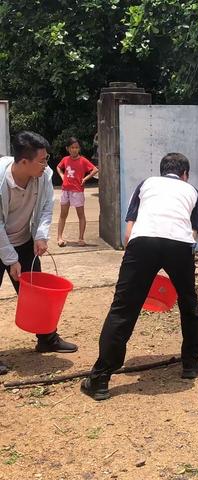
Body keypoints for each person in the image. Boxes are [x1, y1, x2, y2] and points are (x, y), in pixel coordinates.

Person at [81, 152, 198, 400]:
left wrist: (136, 263)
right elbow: (193, 235)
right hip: (179, 246)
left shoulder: (146, 184)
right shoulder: (192, 191)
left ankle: (100, 378)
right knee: (188, 303)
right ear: (185, 175)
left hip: (142, 242)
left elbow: (129, 231)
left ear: (162, 172)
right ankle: (190, 364)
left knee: (123, 308)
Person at [0, 131, 78, 375]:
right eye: (42, 160)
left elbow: (46, 207)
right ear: (24, 161)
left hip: (23, 240)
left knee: (36, 291)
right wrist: (11, 259)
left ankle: (47, 338)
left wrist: (41, 236)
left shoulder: (42, 175)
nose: (47, 164)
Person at [56, 137, 98, 247]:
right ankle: (59, 237)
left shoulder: (83, 160)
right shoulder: (65, 159)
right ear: (67, 148)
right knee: (63, 214)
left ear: (79, 149)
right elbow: (58, 167)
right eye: (72, 148)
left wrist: (85, 179)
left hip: (77, 191)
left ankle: (81, 238)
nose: (74, 150)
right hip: (66, 190)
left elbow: (94, 169)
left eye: (76, 147)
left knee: (81, 215)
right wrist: (62, 176)